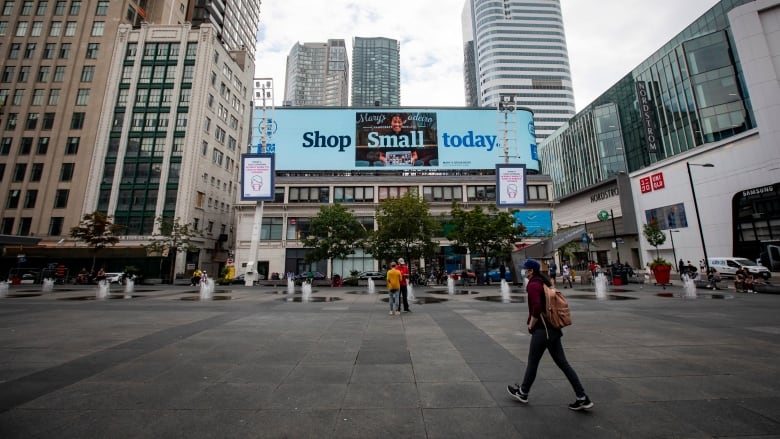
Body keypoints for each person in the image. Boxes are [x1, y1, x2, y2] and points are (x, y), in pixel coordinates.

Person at [507, 259, 593, 411]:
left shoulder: (533, 285)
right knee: (563, 364)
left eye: (525, 269)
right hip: (553, 329)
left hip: (543, 330)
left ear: (531, 271)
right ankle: (582, 397)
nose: (523, 271)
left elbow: (537, 307)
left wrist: (531, 324)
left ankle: (523, 392)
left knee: (533, 362)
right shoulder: (543, 281)